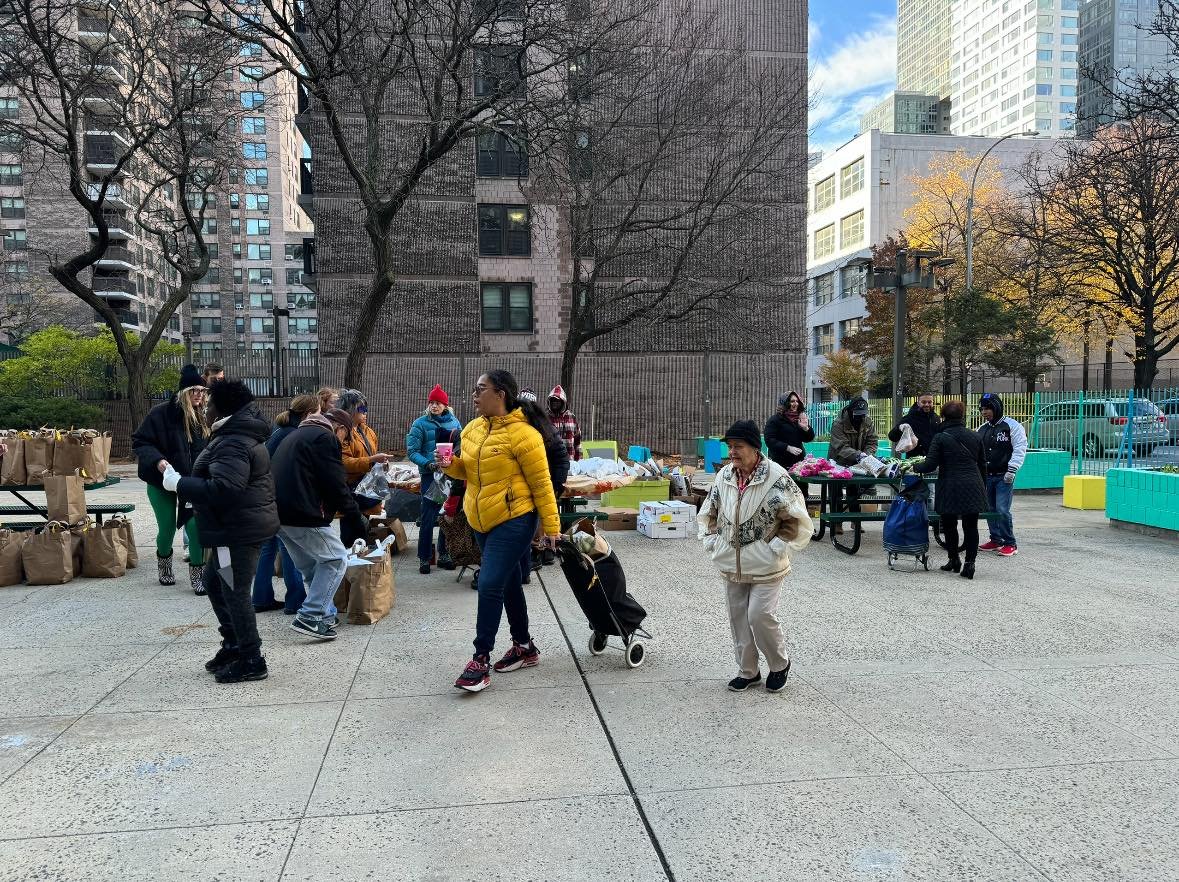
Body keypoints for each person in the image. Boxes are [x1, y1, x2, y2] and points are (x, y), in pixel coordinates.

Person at [441, 370, 561, 694]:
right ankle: (524, 646)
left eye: (481, 389)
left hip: (515, 519)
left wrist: (551, 526)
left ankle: (480, 659)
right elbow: (465, 470)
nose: (475, 395)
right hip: (481, 520)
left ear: (501, 394)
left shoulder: (525, 435)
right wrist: (449, 464)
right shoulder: (471, 429)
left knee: (490, 582)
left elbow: (542, 484)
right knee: (507, 583)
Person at [164, 380, 279, 684]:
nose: (205, 407)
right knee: (216, 584)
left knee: (233, 590)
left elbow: (225, 489)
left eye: (211, 403)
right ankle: (233, 645)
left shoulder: (232, 441)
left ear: (223, 408)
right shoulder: (232, 435)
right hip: (236, 528)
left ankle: (251, 658)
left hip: (236, 532)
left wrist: (179, 484)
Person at [697, 420, 812, 694]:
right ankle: (748, 671)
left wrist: (778, 544)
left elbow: (794, 516)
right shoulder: (724, 476)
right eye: (730, 446)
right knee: (738, 617)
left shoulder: (776, 477)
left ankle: (779, 664)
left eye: (738, 446)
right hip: (730, 562)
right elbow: (711, 509)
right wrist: (713, 537)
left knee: (759, 615)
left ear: (754, 448)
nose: (732, 452)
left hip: (766, 563)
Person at [271, 408, 368, 642]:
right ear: (341, 428)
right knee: (336, 559)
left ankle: (324, 614)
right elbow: (334, 484)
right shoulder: (325, 438)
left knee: (312, 567)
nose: (343, 444)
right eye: (345, 439)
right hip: (303, 513)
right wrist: (355, 516)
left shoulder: (295, 434)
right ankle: (311, 615)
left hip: (278, 514)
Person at [131, 364, 210, 593]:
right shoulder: (160, 413)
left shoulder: (203, 418)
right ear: (184, 392)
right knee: (166, 528)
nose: (199, 395)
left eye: (202, 391)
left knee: (195, 527)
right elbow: (140, 441)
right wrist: (158, 460)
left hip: (190, 483)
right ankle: (164, 564)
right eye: (194, 390)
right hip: (161, 481)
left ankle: (198, 575)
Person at [252, 394, 317, 614]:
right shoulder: (294, 434)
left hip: (264, 497)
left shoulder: (279, 430)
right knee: (289, 548)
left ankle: (260, 598)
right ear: (308, 413)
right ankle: (296, 600)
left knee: (267, 549)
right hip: (278, 499)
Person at [912, 400, 987, 579]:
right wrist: (982, 486)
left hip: (950, 485)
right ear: (962, 416)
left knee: (949, 524)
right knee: (971, 526)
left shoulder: (941, 437)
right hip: (973, 485)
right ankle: (970, 564)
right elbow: (982, 464)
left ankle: (954, 559)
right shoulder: (975, 436)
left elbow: (930, 464)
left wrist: (914, 468)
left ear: (943, 416)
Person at [406, 384, 463, 575]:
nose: (434, 406)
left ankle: (444, 554)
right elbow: (412, 451)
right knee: (428, 516)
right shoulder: (420, 424)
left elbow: (461, 445)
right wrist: (428, 464)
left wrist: (455, 459)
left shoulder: (455, 423)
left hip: (450, 474)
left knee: (447, 514)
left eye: (438, 403)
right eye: (431, 402)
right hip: (430, 476)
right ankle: (424, 558)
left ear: (446, 405)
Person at [519, 391, 571, 574]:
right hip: (531, 484)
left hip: (544, 483)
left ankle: (545, 551)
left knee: (544, 519)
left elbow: (562, 459)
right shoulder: (520, 430)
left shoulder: (545, 429)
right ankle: (540, 552)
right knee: (537, 521)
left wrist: (556, 486)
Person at [337, 389, 389, 546]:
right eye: (361, 409)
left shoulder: (368, 431)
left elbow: (372, 456)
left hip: (366, 489)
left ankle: (360, 563)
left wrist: (381, 463)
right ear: (350, 410)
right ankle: (351, 564)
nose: (365, 412)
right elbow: (343, 462)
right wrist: (372, 460)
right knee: (351, 532)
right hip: (350, 490)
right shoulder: (342, 432)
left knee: (362, 531)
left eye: (365, 409)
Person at [978, 392, 1027, 557]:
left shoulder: (1012, 426)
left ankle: (1010, 543)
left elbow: (1020, 448)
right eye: (982, 409)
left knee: (1002, 509)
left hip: (1003, 476)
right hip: (987, 476)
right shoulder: (982, 429)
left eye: (988, 408)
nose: (985, 412)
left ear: (997, 407)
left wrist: (1012, 470)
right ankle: (996, 539)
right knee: (990, 509)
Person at [827, 397, 878, 520]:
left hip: (858, 461)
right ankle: (836, 521)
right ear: (850, 411)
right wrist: (859, 455)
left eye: (863, 414)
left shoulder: (867, 421)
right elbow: (841, 447)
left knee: (854, 491)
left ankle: (855, 520)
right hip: (838, 461)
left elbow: (872, 441)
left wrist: (866, 455)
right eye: (857, 414)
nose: (860, 417)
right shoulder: (838, 424)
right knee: (836, 492)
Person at [764, 391, 814, 470]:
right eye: (792, 401)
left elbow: (808, 439)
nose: (796, 404)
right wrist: (787, 447)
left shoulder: (799, 419)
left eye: (797, 401)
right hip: (780, 464)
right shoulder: (775, 420)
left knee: (800, 483)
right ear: (785, 403)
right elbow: (769, 440)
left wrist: (806, 428)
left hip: (798, 464)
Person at [888, 393, 942, 457]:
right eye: (923, 402)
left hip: (934, 458)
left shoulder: (936, 418)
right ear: (918, 403)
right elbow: (892, 437)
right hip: (916, 459)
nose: (927, 404)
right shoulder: (909, 418)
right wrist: (899, 428)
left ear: (933, 403)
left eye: (929, 402)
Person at [547, 385, 583, 462]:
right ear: (549, 401)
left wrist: (579, 462)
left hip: (570, 462)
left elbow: (578, 441)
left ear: (563, 402)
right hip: (551, 462)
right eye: (553, 400)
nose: (555, 403)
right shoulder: (545, 418)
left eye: (557, 401)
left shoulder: (571, 417)